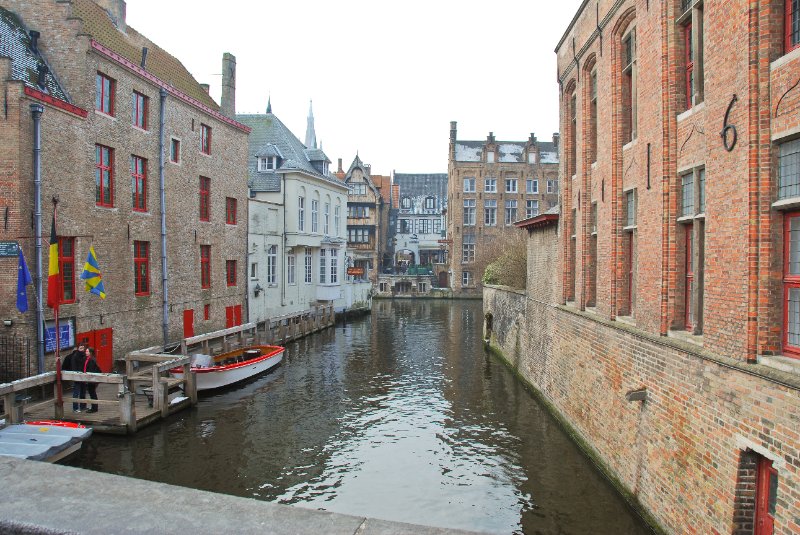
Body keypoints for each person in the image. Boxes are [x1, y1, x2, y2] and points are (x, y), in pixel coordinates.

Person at [62, 344, 86, 412]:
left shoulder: (84, 356)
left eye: (83, 348)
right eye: (81, 348)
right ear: (78, 349)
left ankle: (83, 406)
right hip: (77, 376)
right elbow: (74, 367)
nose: (82, 350)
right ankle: (75, 408)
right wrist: (76, 375)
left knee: (83, 392)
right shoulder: (75, 357)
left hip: (83, 376)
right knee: (76, 392)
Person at [82, 347, 102, 413]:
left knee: (92, 393)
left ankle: (94, 408)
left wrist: (90, 378)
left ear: (90, 352)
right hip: (88, 378)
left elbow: (92, 369)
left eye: (87, 351)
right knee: (91, 393)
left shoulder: (92, 360)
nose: (86, 352)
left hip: (91, 379)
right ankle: (94, 407)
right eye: (86, 351)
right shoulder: (86, 359)